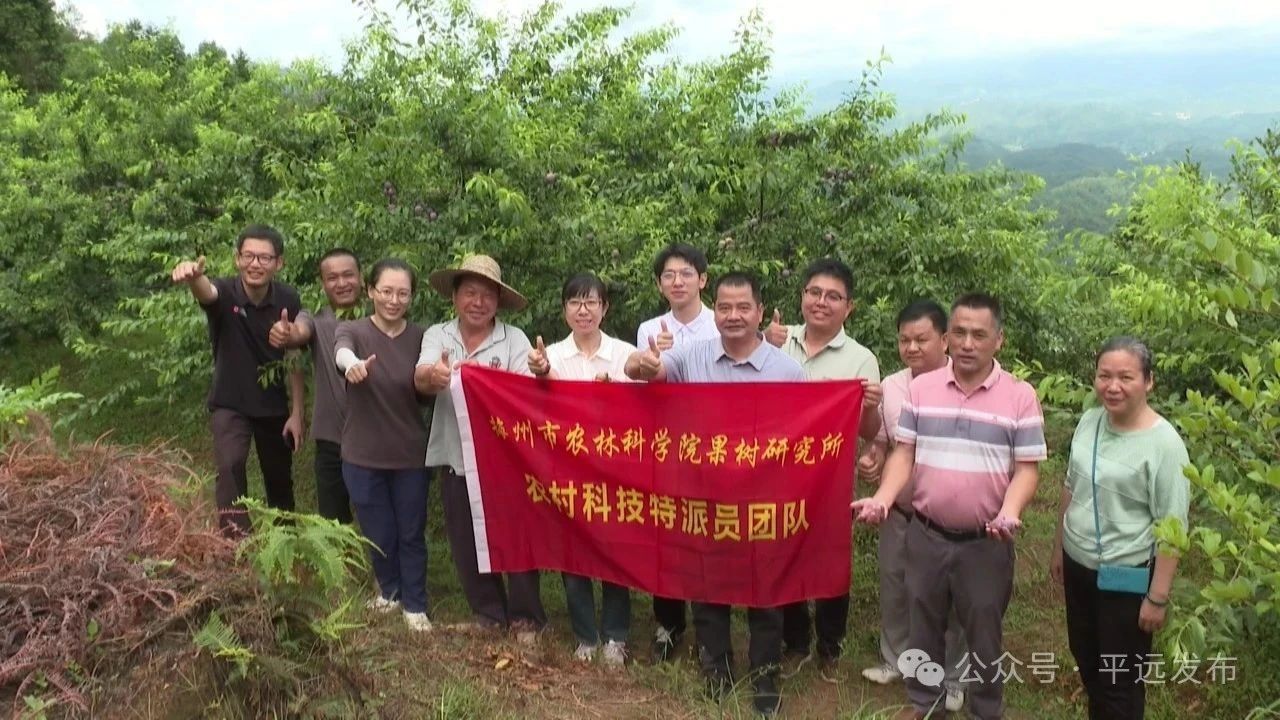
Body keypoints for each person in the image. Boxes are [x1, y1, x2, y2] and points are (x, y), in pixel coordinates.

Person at [852, 292, 1046, 720]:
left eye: (979, 334)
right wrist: (884, 499)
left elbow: (1027, 469)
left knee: (983, 635)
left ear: (999, 339)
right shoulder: (921, 389)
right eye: (959, 333)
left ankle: (985, 711)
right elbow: (904, 453)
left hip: (985, 541)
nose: (967, 343)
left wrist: (1010, 510)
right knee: (923, 628)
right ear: (948, 337)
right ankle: (926, 706)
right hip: (925, 534)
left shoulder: (1019, 395)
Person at [626, 272, 805, 717]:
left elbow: (806, 435)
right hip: (705, 498)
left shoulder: (787, 371)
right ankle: (717, 670)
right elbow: (647, 370)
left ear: (760, 312)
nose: (733, 316)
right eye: (724, 307)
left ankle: (765, 675)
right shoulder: (694, 356)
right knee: (707, 587)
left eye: (743, 307)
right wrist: (641, 364)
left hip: (763, 502)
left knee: (766, 592)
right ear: (715, 310)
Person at [1051, 336, 1189, 720]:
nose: (1112, 386)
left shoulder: (1165, 445)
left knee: (1120, 681)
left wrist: (1157, 596)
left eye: (1126, 377)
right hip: (1078, 565)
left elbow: (1173, 528)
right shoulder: (1089, 421)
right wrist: (1058, 547)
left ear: (1149, 381)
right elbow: (1071, 486)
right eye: (1104, 376)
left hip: (1126, 577)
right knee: (1087, 659)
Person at [413, 254, 546, 641]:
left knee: (516, 538)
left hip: (506, 461)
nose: (478, 302)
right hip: (455, 456)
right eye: (470, 292)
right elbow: (421, 377)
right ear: (455, 296)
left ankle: (526, 618)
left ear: (498, 301)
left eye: (487, 295)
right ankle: (488, 614)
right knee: (465, 539)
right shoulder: (438, 336)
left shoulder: (514, 339)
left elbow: (525, 392)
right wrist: (434, 375)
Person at [763, 258, 882, 679]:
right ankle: (795, 641)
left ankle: (830, 645)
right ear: (802, 297)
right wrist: (764, 342)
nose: (821, 302)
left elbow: (868, 430)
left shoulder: (861, 359)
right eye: (814, 292)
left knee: (830, 556)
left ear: (849, 307)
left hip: (831, 478)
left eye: (833, 296)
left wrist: (870, 407)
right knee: (785, 551)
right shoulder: (776, 341)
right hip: (778, 473)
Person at [857, 300, 967, 713]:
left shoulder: (964, 384)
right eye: (905, 340)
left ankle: (952, 678)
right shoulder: (893, 385)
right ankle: (896, 659)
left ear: (945, 339)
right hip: (900, 510)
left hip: (948, 517)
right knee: (896, 586)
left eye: (922, 339)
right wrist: (872, 458)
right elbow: (883, 441)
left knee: (951, 598)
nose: (912, 347)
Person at [527, 272, 636, 666]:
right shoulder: (550, 356)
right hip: (566, 473)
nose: (583, 310)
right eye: (575, 302)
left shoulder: (625, 354)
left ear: (605, 308)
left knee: (616, 553)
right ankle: (586, 637)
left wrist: (615, 395)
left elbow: (644, 411)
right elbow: (530, 409)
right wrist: (541, 373)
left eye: (591, 302)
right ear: (564, 310)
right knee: (573, 556)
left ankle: (616, 636)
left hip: (616, 473)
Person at [170, 224, 304, 536]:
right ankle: (234, 545)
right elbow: (207, 293)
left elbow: (294, 356)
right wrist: (193, 276)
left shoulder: (287, 298)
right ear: (237, 259)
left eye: (264, 258)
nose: (255, 264)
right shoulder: (225, 291)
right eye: (248, 256)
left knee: (279, 481)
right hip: (229, 402)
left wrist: (298, 412)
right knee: (230, 466)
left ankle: (287, 544)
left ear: (278, 263)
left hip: (272, 405)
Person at [334, 258, 431, 631]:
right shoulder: (353, 330)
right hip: (362, 455)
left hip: (409, 455)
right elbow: (341, 352)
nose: (394, 300)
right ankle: (390, 591)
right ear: (370, 291)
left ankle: (415, 604)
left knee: (411, 532)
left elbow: (428, 384)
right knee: (378, 532)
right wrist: (351, 365)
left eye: (402, 293)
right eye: (386, 291)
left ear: (411, 297)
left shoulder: (422, 337)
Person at [633, 242, 720, 663]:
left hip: (712, 447)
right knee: (665, 534)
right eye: (669, 275)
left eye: (686, 273)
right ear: (659, 284)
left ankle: (710, 630)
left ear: (703, 279)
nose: (678, 281)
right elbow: (642, 382)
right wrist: (655, 360)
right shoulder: (650, 328)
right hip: (666, 446)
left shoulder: (721, 324)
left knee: (707, 537)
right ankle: (668, 625)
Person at [269, 248, 363, 522]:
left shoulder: (381, 315)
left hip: (377, 439)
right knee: (333, 522)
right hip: (332, 437)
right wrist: (286, 333)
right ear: (323, 284)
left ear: (361, 277)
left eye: (348, 275)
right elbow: (298, 333)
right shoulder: (315, 318)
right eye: (332, 278)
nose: (341, 283)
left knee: (381, 523)